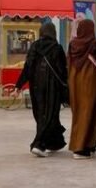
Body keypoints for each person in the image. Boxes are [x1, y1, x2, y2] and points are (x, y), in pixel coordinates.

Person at [14, 23, 67, 157]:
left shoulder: (34, 46)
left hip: (36, 86)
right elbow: (62, 71)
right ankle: (39, 144)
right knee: (50, 114)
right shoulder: (57, 48)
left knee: (41, 114)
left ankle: (54, 143)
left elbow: (28, 67)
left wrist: (18, 86)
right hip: (52, 87)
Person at [67, 19, 96, 159]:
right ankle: (81, 148)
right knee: (90, 112)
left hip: (74, 81)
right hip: (91, 82)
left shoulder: (72, 45)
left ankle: (87, 144)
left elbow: (68, 62)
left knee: (78, 113)